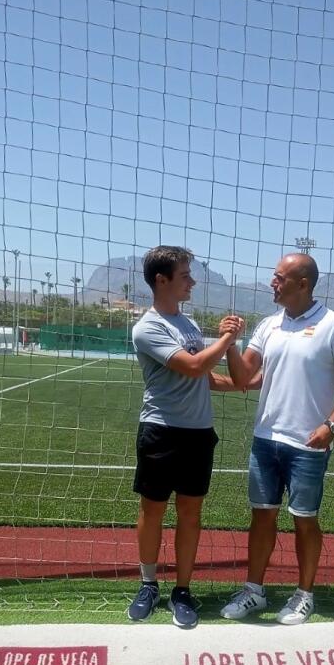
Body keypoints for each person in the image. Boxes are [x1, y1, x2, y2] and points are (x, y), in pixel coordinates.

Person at [220, 252, 334, 625]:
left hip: (308, 445)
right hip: (265, 440)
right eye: (274, 275)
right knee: (261, 517)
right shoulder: (268, 326)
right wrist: (230, 344)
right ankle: (254, 592)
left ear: (303, 284)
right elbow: (243, 378)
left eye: (279, 276)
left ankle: (304, 595)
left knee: (305, 520)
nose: (273, 282)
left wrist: (331, 425)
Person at [128, 245, 243, 629]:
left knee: (191, 515)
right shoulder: (148, 327)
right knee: (153, 510)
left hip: (198, 435)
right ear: (161, 281)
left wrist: (249, 383)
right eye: (185, 276)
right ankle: (148, 584)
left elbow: (206, 378)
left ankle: (182, 590)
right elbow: (193, 366)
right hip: (161, 432)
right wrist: (226, 339)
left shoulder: (189, 325)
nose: (192, 281)